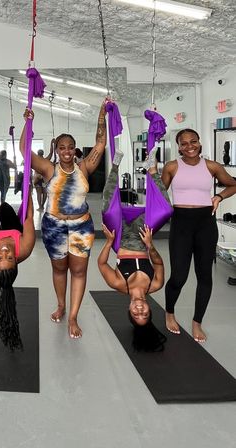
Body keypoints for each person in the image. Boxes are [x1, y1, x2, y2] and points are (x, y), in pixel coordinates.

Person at [20, 101, 107, 339]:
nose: (66, 151)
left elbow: (100, 143)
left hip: (81, 226)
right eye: (62, 147)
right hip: (54, 226)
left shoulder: (85, 167)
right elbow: (24, 150)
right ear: (57, 150)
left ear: (75, 149)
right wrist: (28, 122)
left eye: (70, 147)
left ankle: (73, 316)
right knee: (59, 268)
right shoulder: (49, 169)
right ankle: (61, 304)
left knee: (78, 271)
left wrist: (101, 114)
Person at [162, 128, 236, 342]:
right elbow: (158, 196)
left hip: (205, 224)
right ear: (178, 147)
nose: (189, 146)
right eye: (184, 143)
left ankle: (197, 322)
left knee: (205, 276)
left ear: (199, 143)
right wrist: (153, 178)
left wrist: (219, 197)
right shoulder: (172, 167)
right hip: (181, 224)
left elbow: (232, 184)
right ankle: (169, 312)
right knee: (179, 276)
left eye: (193, 141)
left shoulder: (212, 166)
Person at [97, 149, 168, 351]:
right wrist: (150, 245)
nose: (139, 310)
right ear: (149, 310)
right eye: (144, 314)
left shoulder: (118, 284)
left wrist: (109, 242)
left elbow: (101, 263)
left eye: (136, 315)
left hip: (119, 238)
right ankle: (151, 170)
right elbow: (159, 263)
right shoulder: (155, 284)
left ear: (129, 310)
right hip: (143, 239)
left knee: (107, 209)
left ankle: (116, 165)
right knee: (166, 210)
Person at [0, 154, 36, 350]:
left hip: (2, 228)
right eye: (9, 257)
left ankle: (4, 206)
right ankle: (17, 190)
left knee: (2, 208)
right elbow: (29, 215)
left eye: (0, 258)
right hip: (16, 228)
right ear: (16, 259)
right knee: (9, 213)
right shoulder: (26, 248)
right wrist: (27, 188)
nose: (3, 252)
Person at [33, 143, 54, 211]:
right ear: (43, 154)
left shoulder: (35, 161)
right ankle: (42, 206)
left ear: (37, 154)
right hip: (44, 178)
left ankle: (40, 207)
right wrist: (52, 144)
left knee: (39, 193)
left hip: (37, 178)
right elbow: (51, 153)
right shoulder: (45, 160)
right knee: (45, 193)